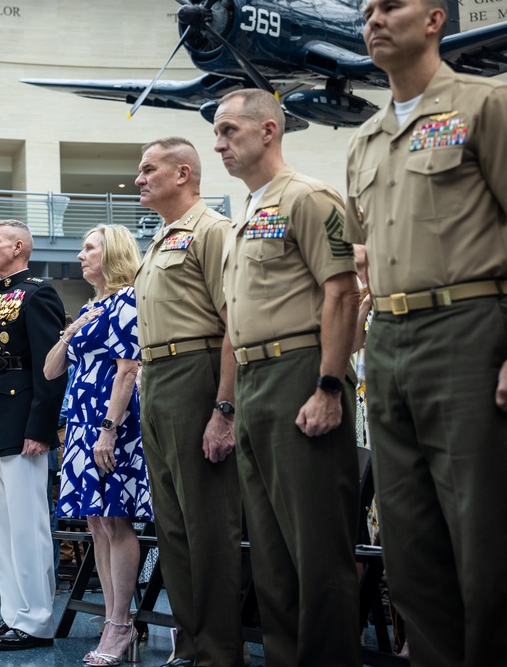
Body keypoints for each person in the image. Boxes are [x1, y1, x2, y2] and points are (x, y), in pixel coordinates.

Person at [346, 0, 507, 663]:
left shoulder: (485, 105)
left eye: (391, 5)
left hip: (468, 328)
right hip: (388, 338)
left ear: (436, 18)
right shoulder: (365, 139)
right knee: (409, 538)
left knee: (484, 533)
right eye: (366, 11)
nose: (374, 18)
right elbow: (361, 253)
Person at [214, 89, 361, 666]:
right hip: (253, 382)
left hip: (302, 371)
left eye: (230, 131)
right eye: (218, 134)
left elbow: (342, 292)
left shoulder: (308, 197)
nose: (220, 144)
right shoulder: (248, 212)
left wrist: (329, 386)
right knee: (272, 556)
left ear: (269, 130)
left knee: (317, 552)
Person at [133, 137, 242, 667]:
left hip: (196, 373)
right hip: (154, 377)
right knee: (172, 526)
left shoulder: (212, 231)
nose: (139, 178)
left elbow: (233, 325)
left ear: (182, 173)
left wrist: (224, 409)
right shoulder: (158, 240)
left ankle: (221, 651)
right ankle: (191, 644)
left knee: (208, 523)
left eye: (149, 169)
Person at [44, 224, 152, 666]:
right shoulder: (93, 307)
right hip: (82, 423)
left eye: (89, 248)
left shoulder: (128, 299)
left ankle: (121, 624)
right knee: (96, 524)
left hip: (114, 422)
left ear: (113, 254)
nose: (80, 255)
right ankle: (112, 617)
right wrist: (72, 331)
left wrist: (109, 428)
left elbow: (128, 369)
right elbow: (52, 370)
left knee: (116, 521)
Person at [0, 219, 67, 651]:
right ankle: (12, 614)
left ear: (19, 245)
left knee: (28, 527)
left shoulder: (38, 292)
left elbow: (50, 366)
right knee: (3, 528)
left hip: (23, 422)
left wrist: (41, 427)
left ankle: (38, 619)